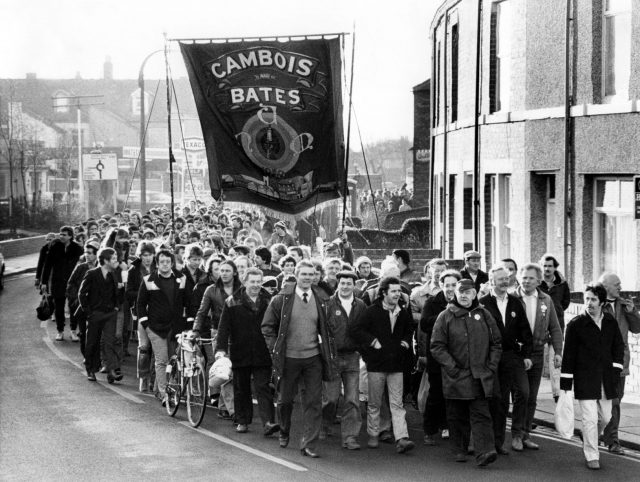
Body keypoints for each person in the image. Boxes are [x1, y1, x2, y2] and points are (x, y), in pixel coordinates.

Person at [261, 260, 336, 458]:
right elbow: (267, 327)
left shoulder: (321, 299)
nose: (307, 278)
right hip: (288, 358)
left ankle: (309, 444)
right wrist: (274, 348)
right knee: (285, 400)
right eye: (304, 274)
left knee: (313, 402)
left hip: (313, 359)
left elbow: (328, 327)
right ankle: (284, 431)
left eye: (311, 275)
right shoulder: (282, 299)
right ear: (296, 274)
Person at [430, 279, 502, 467]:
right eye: (460, 291)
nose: (463, 295)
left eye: (468, 292)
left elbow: (496, 343)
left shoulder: (484, 314)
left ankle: (485, 452)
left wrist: (491, 366)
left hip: (480, 375)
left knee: (481, 414)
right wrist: (452, 367)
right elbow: (437, 346)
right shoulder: (445, 316)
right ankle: (459, 449)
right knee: (457, 414)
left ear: (474, 294)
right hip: (456, 375)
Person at [560, 282, 625, 470]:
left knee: (605, 417)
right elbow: (569, 355)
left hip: (606, 378)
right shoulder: (576, 324)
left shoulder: (610, 322)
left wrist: (616, 369)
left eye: (593, 299)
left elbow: (618, 347)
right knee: (589, 418)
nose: (589, 303)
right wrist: (566, 383)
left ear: (602, 302)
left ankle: (590, 436)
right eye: (586, 299)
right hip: (584, 378)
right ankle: (591, 454)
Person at [351, 276, 416, 454]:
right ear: (384, 293)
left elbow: (410, 328)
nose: (397, 294)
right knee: (374, 402)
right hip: (376, 365)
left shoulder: (402, 312)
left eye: (399, 291)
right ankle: (373, 434)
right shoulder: (372, 311)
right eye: (393, 291)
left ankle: (402, 437)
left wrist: (405, 341)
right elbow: (357, 330)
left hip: (396, 365)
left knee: (397, 403)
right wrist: (372, 342)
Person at [215, 268, 280, 436]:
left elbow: (277, 325)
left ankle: (268, 422)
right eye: (252, 281)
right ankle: (242, 420)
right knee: (241, 387)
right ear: (244, 282)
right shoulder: (232, 301)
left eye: (259, 281)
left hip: (262, 350)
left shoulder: (270, 300)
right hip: (240, 350)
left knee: (263, 387)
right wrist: (221, 349)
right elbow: (224, 328)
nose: (256, 285)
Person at [479, 264, 533, 454]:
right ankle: (495, 443)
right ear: (492, 281)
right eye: (500, 279)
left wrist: (526, 354)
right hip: (492, 358)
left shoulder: (516, 303)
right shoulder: (482, 303)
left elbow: (525, 331)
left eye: (507, 278)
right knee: (498, 401)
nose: (504, 282)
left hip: (512, 356)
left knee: (522, 393)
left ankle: (510, 437)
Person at [512, 263, 563, 450]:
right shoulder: (512, 298)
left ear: (539, 281)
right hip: (517, 354)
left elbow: (555, 328)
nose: (526, 281)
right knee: (522, 394)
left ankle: (525, 434)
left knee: (532, 397)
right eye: (524, 277)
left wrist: (558, 352)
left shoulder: (545, 300)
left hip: (537, 353)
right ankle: (516, 434)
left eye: (531, 278)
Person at [137, 249, 190, 405]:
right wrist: (146, 324)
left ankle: (171, 389)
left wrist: (188, 323)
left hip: (176, 327)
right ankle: (164, 393)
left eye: (168, 261)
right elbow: (140, 304)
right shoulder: (148, 280)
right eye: (162, 262)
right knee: (162, 360)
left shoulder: (182, 278)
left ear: (172, 263)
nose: (165, 264)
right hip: (155, 328)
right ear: (157, 263)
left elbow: (188, 302)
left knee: (174, 360)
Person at [321, 270, 366, 450]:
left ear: (354, 285)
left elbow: (364, 329)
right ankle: (325, 425)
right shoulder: (328, 304)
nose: (345, 287)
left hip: (352, 357)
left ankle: (350, 437)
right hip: (332, 357)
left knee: (352, 399)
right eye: (342, 283)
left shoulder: (361, 305)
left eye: (349, 284)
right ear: (337, 285)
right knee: (330, 398)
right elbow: (321, 331)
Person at [599, 272, 640, 455]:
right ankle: (606, 437)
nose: (620, 287)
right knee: (606, 401)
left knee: (615, 400)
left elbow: (637, 329)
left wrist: (632, 312)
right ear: (605, 286)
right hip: (600, 362)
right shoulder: (597, 304)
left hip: (620, 363)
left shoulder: (623, 306)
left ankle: (608, 437)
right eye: (617, 284)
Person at [420, 269, 460, 445]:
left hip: (457, 355)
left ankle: (447, 426)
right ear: (441, 286)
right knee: (436, 393)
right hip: (437, 355)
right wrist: (444, 313)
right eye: (447, 285)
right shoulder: (433, 302)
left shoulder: (464, 301)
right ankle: (429, 430)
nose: (450, 289)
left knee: (453, 394)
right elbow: (425, 324)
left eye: (454, 285)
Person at [78, 248, 122, 383]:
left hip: (110, 314)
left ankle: (112, 370)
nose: (117, 261)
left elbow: (118, 292)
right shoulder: (91, 274)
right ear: (105, 261)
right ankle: (90, 369)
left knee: (110, 342)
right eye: (114, 259)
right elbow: (81, 294)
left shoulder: (114, 274)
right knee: (92, 342)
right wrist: (89, 312)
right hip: (95, 314)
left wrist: (116, 307)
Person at [539, 253, 571, 405]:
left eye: (550, 266)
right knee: (537, 363)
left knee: (556, 362)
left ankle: (558, 397)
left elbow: (565, 302)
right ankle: (533, 399)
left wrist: (556, 311)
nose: (547, 269)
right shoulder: (537, 283)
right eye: (544, 266)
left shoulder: (562, 284)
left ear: (555, 268)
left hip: (557, 326)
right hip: (539, 328)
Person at [42, 226, 84, 341]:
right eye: (60, 234)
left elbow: (82, 265)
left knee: (73, 307)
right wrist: (44, 282)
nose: (61, 236)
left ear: (70, 236)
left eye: (64, 234)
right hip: (57, 282)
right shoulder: (54, 247)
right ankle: (60, 331)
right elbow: (47, 265)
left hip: (73, 283)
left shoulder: (77, 248)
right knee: (58, 308)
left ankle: (73, 330)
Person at [126, 242, 156, 393]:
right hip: (141, 311)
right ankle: (144, 378)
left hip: (157, 312)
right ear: (140, 255)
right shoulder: (133, 270)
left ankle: (155, 380)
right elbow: (128, 292)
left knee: (157, 349)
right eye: (144, 255)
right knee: (144, 347)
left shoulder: (159, 267)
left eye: (150, 254)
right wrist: (143, 293)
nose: (147, 258)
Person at [66, 240, 101, 350]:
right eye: (85, 252)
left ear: (96, 254)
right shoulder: (80, 267)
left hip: (96, 306)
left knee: (96, 333)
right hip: (82, 305)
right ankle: (86, 356)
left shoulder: (101, 268)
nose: (86, 255)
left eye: (90, 253)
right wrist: (75, 299)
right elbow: (70, 284)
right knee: (83, 333)